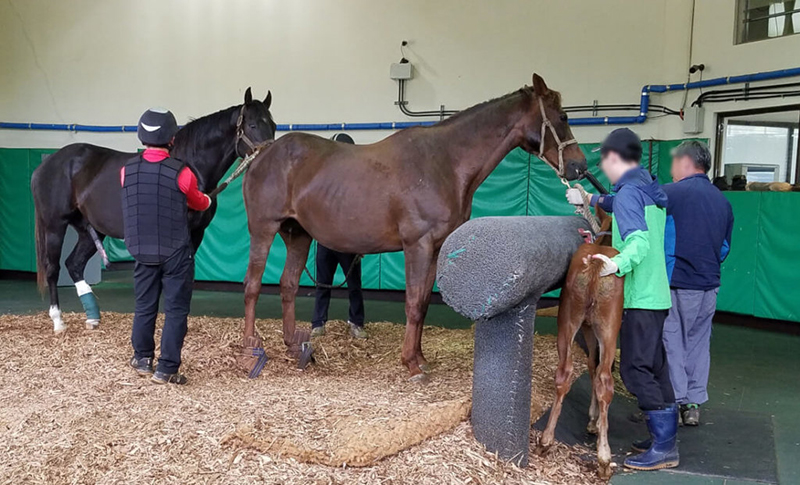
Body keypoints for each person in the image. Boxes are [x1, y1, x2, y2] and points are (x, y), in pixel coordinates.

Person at [566, 128, 678, 471]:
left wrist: (616, 263)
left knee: (634, 369)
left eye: (605, 160)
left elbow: (639, 242)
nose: (604, 166)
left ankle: (664, 448)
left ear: (615, 158)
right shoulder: (649, 189)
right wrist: (592, 200)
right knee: (657, 365)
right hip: (658, 294)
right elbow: (621, 204)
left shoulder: (630, 193)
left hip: (640, 295)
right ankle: (665, 436)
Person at [122, 108, 212, 385]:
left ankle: (142, 358)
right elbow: (198, 202)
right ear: (172, 139)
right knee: (175, 310)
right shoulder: (182, 172)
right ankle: (167, 368)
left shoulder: (127, 170)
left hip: (142, 250)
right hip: (175, 252)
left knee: (144, 305)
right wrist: (208, 200)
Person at [662, 141, 734, 426]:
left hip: (678, 282)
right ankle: (692, 404)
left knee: (672, 341)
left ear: (685, 162)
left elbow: (631, 203)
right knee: (699, 342)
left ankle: (674, 401)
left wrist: (591, 200)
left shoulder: (673, 193)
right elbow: (725, 248)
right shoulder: (723, 201)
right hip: (710, 285)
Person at [310, 133, 367, 339]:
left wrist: (360, 244)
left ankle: (356, 322)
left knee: (354, 285)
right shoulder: (322, 179)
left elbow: (361, 213)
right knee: (322, 284)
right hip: (325, 240)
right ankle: (318, 323)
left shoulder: (357, 183)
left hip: (349, 242)